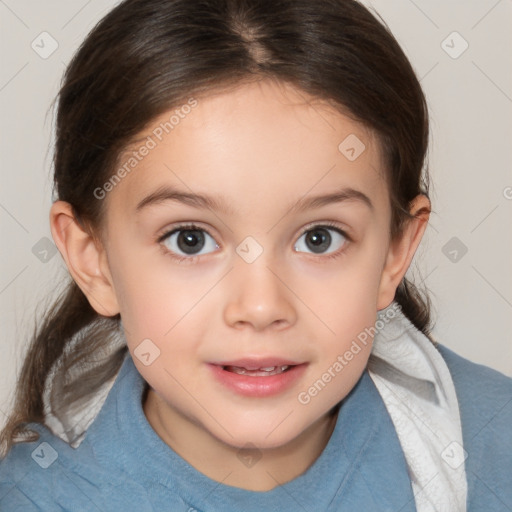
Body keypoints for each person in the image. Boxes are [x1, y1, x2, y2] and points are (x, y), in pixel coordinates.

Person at [1, 0, 511, 510]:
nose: (262, 306)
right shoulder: (33, 498)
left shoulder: (494, 443)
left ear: (394, 252)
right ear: (93, 259)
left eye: (319, 238)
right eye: (190, 239)